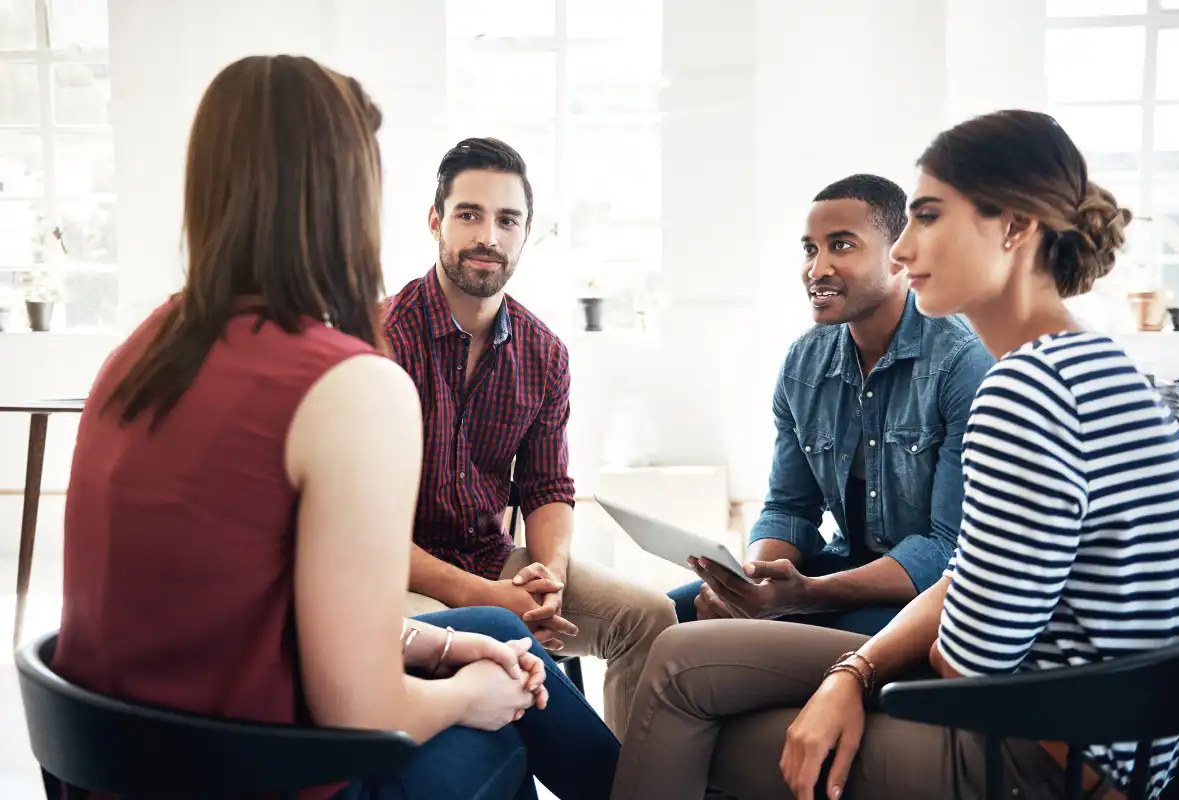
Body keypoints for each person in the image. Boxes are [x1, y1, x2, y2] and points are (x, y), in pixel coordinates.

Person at [50, 56, 618, 800]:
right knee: (505, 721)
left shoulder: (146, 346)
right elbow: (362, 716)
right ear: (343, 196)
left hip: (124, 766)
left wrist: (444, 645)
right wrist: (466, 696)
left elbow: (268, 595)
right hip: (253, 774)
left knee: (500, 637)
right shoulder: (346, 381)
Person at [609, 109, 1179, 800]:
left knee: (685, 689)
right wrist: (851, 670)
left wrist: (851, 674)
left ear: (1014, 228)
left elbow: (967, 657)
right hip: (1119, 743)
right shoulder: (1097, 365)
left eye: (928, 218)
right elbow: (974, 576)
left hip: (1043, 753)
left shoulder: (1021, 389)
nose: (904, 249)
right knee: (691, 655)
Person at [381, 136, 676, 740]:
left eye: (507, 220)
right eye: (469, 215)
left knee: (651, 618)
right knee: (487, 640)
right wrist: (490, 598)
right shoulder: (380, 340)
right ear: (435, 221)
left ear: (526, 233)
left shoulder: (544, 354)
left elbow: (546, 488)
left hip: (495, 561)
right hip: (394, 578)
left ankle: (637, 781)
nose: (488, 236)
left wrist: (548, 581)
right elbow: (362, 532)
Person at [670, 174, 993, 636]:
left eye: (841, 246)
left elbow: (949, 548)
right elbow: (789, 509)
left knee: (738, 646)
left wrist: (804, 595)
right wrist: (749, 582)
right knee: (666, 616)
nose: (816, 269)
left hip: (927, 597)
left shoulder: (962, 363)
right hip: (840, 568)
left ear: (900, 256)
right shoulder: (804, 362)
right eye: (810, 249)